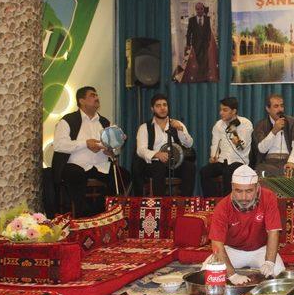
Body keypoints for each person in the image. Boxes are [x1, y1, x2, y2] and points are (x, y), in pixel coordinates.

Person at [52, 86, 127, 217]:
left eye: (97, 95)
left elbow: (115, 150)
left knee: (124, 175)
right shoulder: (68, 120)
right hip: (76, 165)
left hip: (100, 166)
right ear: (81, 101)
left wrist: (114, 147)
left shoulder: (105, 122)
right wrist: (85, 143)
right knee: (75, 174)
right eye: (92, 95)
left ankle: (96, 209)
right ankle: (82, 213)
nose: (97, 98)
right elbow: (59, 145)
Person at [208, 165, 285, 283]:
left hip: (261, 249)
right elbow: (217, 245)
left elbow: (273, 232)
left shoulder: (268, 197)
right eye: (238, 191)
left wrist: (269, 262)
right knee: (209, 272)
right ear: (232, 187)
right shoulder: (222, 207)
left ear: (257, 187)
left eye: (249, 191)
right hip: (232, 250)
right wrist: (232, 275)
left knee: (279, 274)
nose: (244, 197)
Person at [135, 93, 195, 196]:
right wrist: (156, 154)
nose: (162, 108)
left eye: (165, 105)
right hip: (154, 164)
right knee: (159, 167)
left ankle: (185, 203)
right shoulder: (144, 127)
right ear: (152, 109)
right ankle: (161, 204)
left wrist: (180, 129)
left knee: (189, 167)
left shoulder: (177, 124)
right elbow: (140, 150)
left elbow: (189, 144)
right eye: (158, 106)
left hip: (174, 164)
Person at [200, 97, 252, 197]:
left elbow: (243, 147)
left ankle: (227, 203)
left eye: (225, 110)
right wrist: (213, 156)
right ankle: (213, 200)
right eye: (221, 110)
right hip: (222, 161)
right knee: (204, 171)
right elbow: (215, 143)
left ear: (234, 111)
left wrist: (237, 142)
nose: (221, 113)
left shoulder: (245, 123)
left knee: (228, 172)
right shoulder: (218, 125)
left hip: (239, 162)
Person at [253, 94, 294, 177]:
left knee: (291, 172)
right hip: (268, 162)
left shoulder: (292, 122)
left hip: (288, 161)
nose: (280, 109)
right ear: (268, 109)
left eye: (282, 106)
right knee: (262, 171)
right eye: (276, 106)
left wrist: (291, 162)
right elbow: (262, 149)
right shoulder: (261, 125)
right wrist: (274, 131)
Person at [185, 2, 213, 82]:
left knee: (205, 58)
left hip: (205, 44)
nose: (199, 10)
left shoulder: (207, 19)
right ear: (195, 10)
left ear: (203, 9)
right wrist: (188, 44)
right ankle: (202, 74)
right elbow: (188, 33)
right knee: (198, 59)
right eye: (198, 9)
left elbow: (209, 31)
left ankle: (204, 75)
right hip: (196, 44)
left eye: (201, 9)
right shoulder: (191, 20)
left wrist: (209, 41)